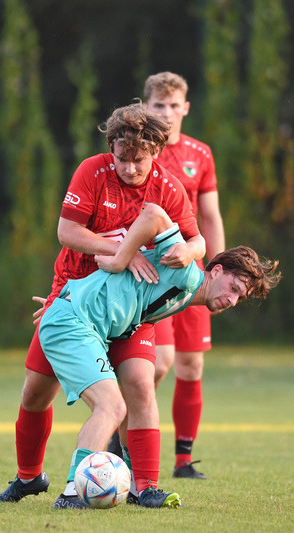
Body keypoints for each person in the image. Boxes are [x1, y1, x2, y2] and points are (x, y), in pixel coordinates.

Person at [0, 102, 205, 507]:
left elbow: (199, 241)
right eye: (122, 158)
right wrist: (124, 251)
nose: (130, 168)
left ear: (156, 152)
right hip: (74, 299)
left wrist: (189, 251)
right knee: (35, 394)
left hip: (129, 310)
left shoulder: (168, 187)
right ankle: (29, 478)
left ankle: (145, 487)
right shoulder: (92, 172)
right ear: (112, 148)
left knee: (140, 386)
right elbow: (67, 231)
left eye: (139, 160)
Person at [38, 203, 280, 508]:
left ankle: (135, 486)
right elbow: (153, 213)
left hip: (76, 319)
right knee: (111, 407)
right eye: (232, 287)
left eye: (239, 297)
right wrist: (121, 258)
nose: (232, 300)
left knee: (130, 399)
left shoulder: (186, 294)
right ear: (216, 270)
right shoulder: (187, 274)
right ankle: (72, 493)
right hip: (73, 322)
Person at [143, 72, 226, 480]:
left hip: (193, 275)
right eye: (159, 105)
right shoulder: (138, 153)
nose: (167, 112)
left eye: (174, 105)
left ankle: (183, 462)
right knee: (157, 364)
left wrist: (218, 270)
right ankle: (124, 442)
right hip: (152, 278)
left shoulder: (200, 154)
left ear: (186, 108)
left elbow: (210, 216)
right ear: (146, 107)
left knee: (191, 366)